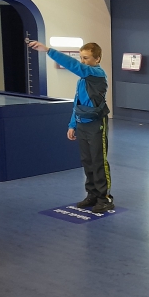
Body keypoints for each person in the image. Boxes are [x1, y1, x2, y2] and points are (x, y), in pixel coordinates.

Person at [29, 40, 114, 213]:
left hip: (96, 124)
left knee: (98, 161)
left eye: (86, 58)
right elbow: (77, 102)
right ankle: (92, 194)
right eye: (81, 58)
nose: (83, 61)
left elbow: (74, 65)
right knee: (87, 161)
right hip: (82, 124)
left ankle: (104, 198)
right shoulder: (82, 80)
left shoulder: (97, 74)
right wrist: (72, 124)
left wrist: (48, 50)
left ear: (97, 59)